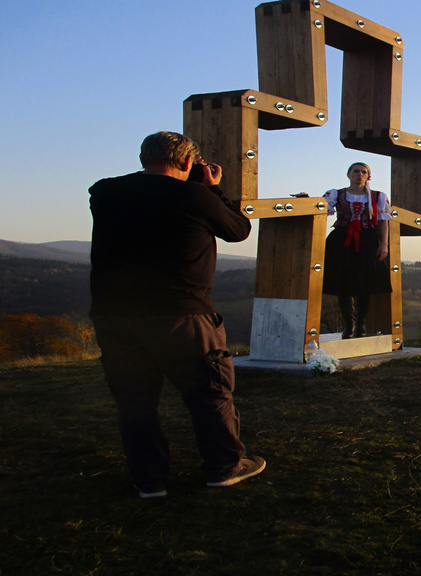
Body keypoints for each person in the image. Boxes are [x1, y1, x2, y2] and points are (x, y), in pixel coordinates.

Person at [89, 131, 265, 498]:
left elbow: (140, 198)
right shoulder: (194, 196)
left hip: (115, 313)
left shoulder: (104, 192)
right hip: (180, 314)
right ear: (188, 162)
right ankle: (224, 466)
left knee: (135, 400)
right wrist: (211, 188)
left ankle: (149, 481)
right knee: (209, 393)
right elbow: (239, 229)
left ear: (142, 157)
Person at [321, 162, 392, 338]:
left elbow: (383, 221)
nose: (359, 174)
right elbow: (319, 208)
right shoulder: (337, 194)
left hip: (367, 240)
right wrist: (307, 199)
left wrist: (384, 244)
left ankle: (361, 323)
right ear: (348, 174)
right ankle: (348, 324)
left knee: (365, 282)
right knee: (343, 283)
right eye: (356, 171)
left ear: (368, 176)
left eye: (363, 172)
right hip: (342, 240)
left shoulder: (378, 196)